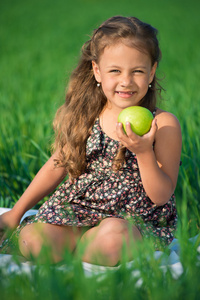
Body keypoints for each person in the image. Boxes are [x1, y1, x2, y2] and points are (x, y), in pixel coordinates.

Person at [0, 15, 182, 266]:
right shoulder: (87, 116)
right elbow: (58, 164)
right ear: (97, 71)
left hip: (130, 221)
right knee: (34, 240)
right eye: (115, 71)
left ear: (151, 72)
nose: (126, 81)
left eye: (138, 71)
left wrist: (143, 152)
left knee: (112, 240)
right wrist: (16, 213)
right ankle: (81, 245)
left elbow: (161, 195)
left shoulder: (163, 124)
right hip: (77, 211)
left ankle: (87, 249)